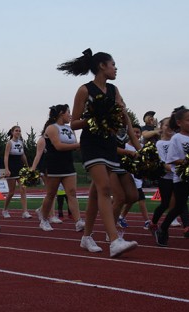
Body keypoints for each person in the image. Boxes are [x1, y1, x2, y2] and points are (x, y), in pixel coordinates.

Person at [57, 48, 138, 257]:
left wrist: (138, 146)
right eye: (113, 65)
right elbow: (74, 123)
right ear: (102, 66)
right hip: (92, 143)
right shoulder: (85, 90)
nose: (116, 68)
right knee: (105, 188)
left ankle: (86, 236)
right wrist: (95, 117)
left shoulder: (114, 90)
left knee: (95, 193)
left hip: (109, 143)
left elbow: (124, 118)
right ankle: (114, 241)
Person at [156, 107, 189, 246]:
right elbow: (171, 159)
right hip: (182, 178)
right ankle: (163, 228)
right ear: (179, 123)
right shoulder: (176, 138)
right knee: (178, 206)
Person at [34, 104, 85, 232]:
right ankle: (44, 220)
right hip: (54, 165)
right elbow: (58, 146)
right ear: (61, 113)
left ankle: (78, 221)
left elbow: (75, 146)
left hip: (68, 164)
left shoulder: (70, 129)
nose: (71, 115)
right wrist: (78, 144)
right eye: (68, 112)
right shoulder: (51, 128)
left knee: (72, 193)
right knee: (51, 194)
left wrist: (84, 145)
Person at [149, 117, 189, 235]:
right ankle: (154, 223)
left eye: (171, 125)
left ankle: (187, 228)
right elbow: (164, 163)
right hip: (166, 178)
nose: (169, 128)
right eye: (166, 125)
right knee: (165, 204)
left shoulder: (177, 140)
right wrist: (178, 169)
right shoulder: (160, 144)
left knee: (182, 202)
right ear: (161, 128)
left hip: (179, 177)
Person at [119, 125, 151, 229]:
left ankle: (120, 216)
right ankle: (147, 221)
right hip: (127, 177)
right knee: (140, 198)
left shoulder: (141, 147)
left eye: (138, 132)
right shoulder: (124, 146)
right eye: (134, 132)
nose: (136, 134)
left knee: (131, 199)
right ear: (129, 133)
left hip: (137, 178)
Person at [2, 125, 31, 219]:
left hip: (20, 167)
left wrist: (27, 167)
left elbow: (23, 155)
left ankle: (25, 212)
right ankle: (5, 209)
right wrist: (6, 168)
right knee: (11, 192)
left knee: (23, 188)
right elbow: (6, 156)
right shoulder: (9, 143)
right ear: (12, 132)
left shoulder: (21, 142)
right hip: (11, 167)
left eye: (19, 131)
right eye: (16, 130)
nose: (18, 132)